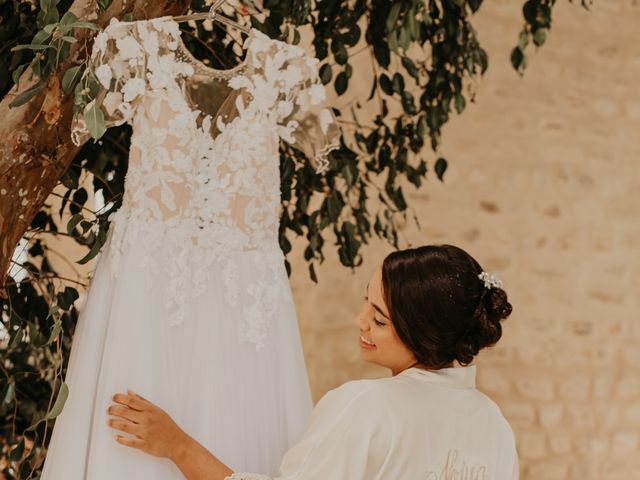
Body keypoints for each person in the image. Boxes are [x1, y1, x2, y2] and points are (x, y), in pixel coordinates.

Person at [106, 244, 518, 479]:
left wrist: (178, 446)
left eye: (378, 318)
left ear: (422, 333)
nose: (360, 322)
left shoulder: (367, 407)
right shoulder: (494, 423)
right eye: (366, 303)